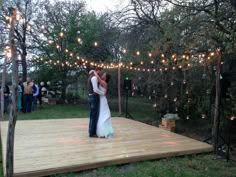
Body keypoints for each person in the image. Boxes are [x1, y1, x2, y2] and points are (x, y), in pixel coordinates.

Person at [90, 70, 114, 138]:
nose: (102, 75)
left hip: (103, 100)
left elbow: (98, 78)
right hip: (100, 100)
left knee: (104, 115)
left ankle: (105, 132)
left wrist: (94, 71)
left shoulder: (104, 83)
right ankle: (103, 131)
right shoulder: (102, 82)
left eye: (104, 74)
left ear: (105, 78)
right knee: (101, 115)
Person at [87, 67, 105, 137]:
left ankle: (91, 131)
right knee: (94, 116)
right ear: (98, 70)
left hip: (91, 97)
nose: (101, 73)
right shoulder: (94, 78)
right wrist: (103, 93)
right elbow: (95, 90)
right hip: (94, 97)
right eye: (101, 71)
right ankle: (92, 133)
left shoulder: (90, 77)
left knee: (92, 115)